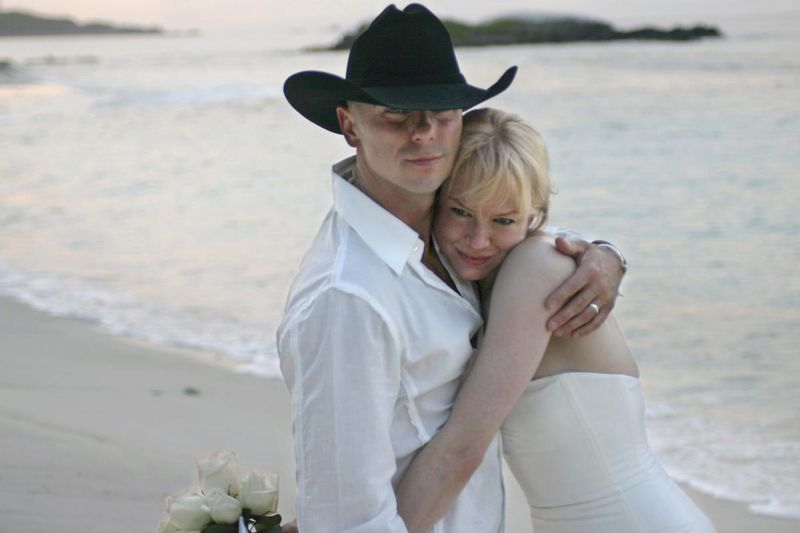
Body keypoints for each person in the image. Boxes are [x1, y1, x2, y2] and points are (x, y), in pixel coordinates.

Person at [277, 4, 627, 531]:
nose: (423, 134)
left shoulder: (451, 235)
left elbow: (518, 222)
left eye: (441, 114)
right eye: (395, 114)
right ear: (350, 126)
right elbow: (348, 521)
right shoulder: (348, 298)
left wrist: (605, 254)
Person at [394, 108, 716, 532]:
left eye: (503, 220)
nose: (478, 239)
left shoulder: (537, 267)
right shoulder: (478, 281)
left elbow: (459, 451)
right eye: (460, 211)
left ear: (535, 215)